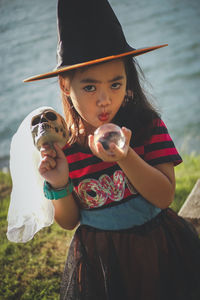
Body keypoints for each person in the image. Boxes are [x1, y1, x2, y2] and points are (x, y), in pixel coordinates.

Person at [24, 0, 200, 299]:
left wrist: (126, 156)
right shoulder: (66, 148)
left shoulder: (147, 127)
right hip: (103, 262)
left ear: (128, 80)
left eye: (115, 84)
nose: (105, 100)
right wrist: (58, 182)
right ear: (66, 85)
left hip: (161, 247)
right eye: (90, 88)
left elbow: (164, 196)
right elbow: (68, 222)